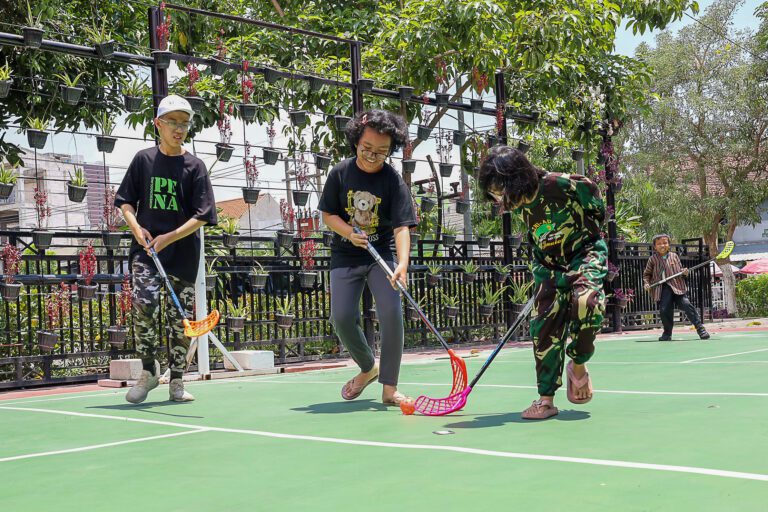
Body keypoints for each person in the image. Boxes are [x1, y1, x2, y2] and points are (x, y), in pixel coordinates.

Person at [478, 145, 607, 420]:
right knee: (544, 327)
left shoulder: (559, 185)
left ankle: (579, 364)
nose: (499, 198)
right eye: (494, 193)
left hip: (584, 254)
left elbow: (594, 199)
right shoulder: (518, 202)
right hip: (548, 264)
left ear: (516, 179)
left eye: (500, 190)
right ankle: (546, 399)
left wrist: (588, 232)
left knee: (587, 302)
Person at [115, 95, 217, 404]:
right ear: (158, 124)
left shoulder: (194, 166)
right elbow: (125, 203)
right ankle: (148, 371)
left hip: (182, 255)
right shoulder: (143, 160)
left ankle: (176, 380)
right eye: (172, 122)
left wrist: (169, 237)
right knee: (144, 305)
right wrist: (137, 230)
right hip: (146, 253)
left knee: (179, 320)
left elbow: (203, 215)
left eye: (184, 123)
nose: (179, 128)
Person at [318, 109, 416, 406]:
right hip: (346, 254)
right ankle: (367, 367)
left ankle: (390, 388)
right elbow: (328, 215)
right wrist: (348, 232)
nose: (373, 156)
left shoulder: (392, 179)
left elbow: (401, 226)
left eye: (382, 152)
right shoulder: (340, 172)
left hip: (380, 254)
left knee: (390, 312)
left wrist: (401, 263)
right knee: (343, 317)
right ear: (355, 142)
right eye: (367, 149)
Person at [643, 234, 710, 341]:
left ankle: (701, 329)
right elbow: (647, 274)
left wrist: (685, 272)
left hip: (677, 287)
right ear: (655, 246)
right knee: (664, 310)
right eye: (659, 244)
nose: (662, 245)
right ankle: (667, 333)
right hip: (662, 289)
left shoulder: (674, 256)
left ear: (669, 244)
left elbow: (680, 272)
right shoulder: (652, 259)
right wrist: (646, 283)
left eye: (665, 243)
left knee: (687, 305)